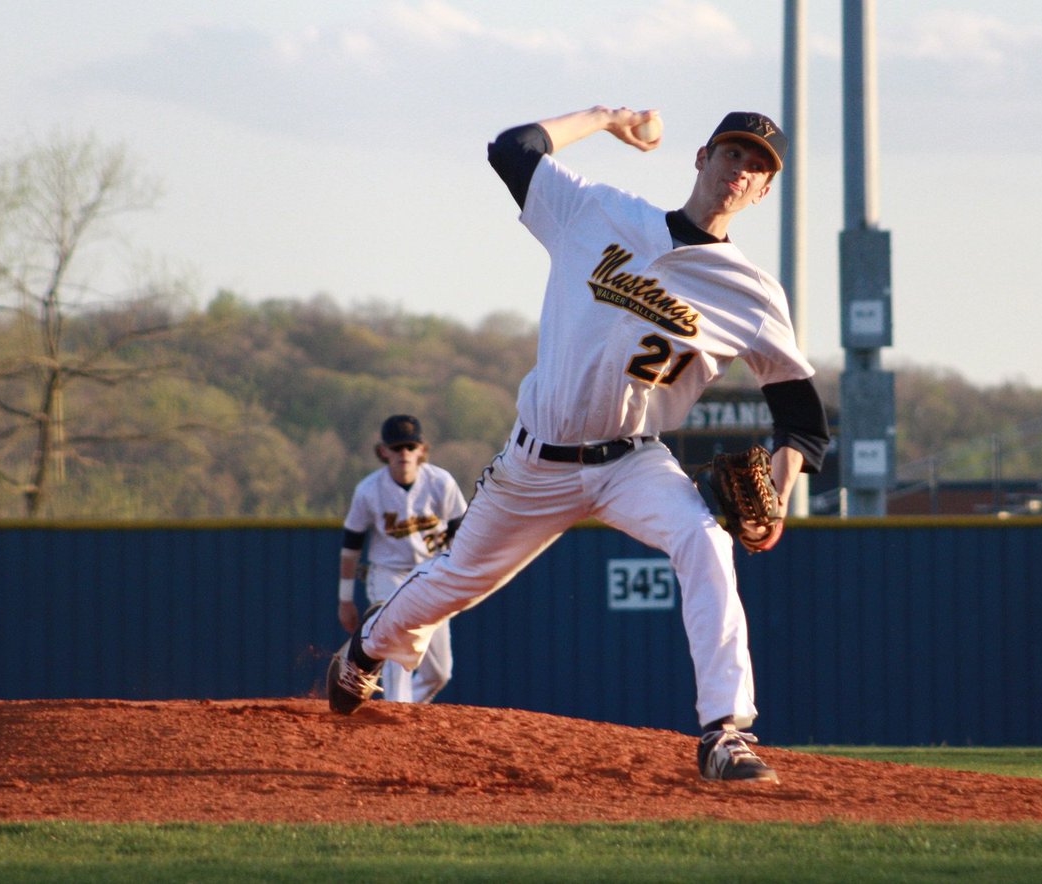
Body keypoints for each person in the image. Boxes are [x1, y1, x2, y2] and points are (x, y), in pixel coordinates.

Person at [328, 106, 830, 782]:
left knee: (705, 540)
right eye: (734, 154)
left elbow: (799, 416)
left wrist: (781, 490)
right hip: (537, 461)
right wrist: (606, 117)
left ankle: (725, 734)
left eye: (759, 166)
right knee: (455, 582)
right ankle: (365, 649)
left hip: (633, 462)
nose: (742, 171)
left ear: (765, 191)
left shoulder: (753, 295)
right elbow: (511, 148)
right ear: (703, 158)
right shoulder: (597, 212)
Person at [336, 414, 467, 703]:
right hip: (388, 575)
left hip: (433, 572)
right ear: (383, 451)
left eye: (410, 446)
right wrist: (345, 599)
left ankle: (401, 714)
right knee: (398, 643)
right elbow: (351, 547)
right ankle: (395, 709)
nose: (404, 454)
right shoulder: (369, 490)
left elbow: (463, 531)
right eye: (396, 448)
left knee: (439, 673)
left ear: (422, 449)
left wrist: (460, 577)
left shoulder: (440, 482)